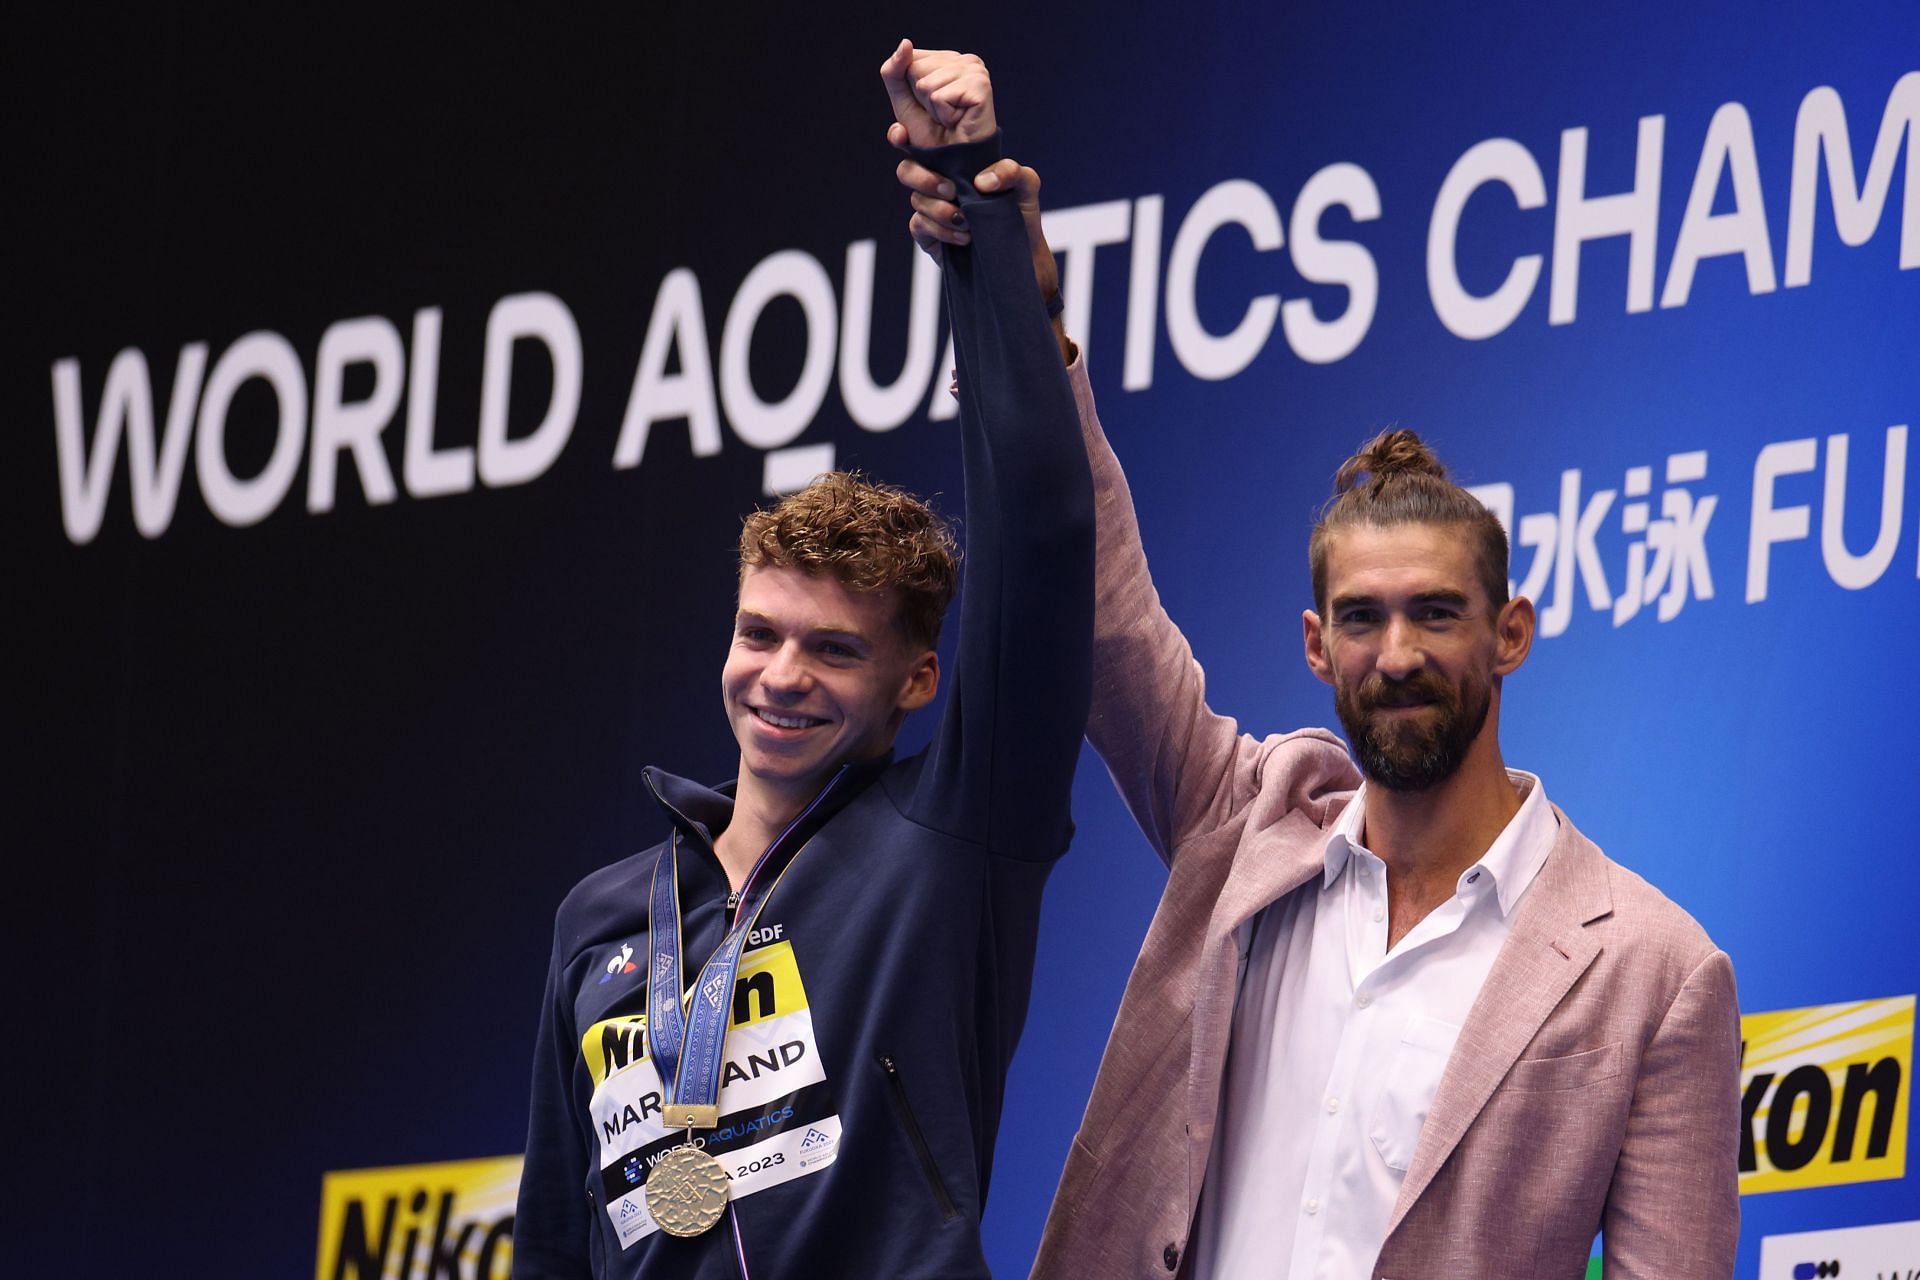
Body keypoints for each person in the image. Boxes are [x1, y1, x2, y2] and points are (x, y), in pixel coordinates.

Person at [894, 69, 1742, 1280]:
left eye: (1436, 614)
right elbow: (1107, 605)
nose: (1396, 656)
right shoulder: (1248, 824)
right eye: (1363, 619)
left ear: (1512, 632)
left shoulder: (1653, 967)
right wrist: (1028, 326)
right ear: (1315, 643)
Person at [512, 43, 1092, 1279]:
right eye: (759, 633)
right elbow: (561, 1248)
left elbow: (1043, 530)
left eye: (835, 649)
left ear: (917, 679)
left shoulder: (954, 837)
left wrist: (977, 213)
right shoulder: (602, 921)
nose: (780, 676)